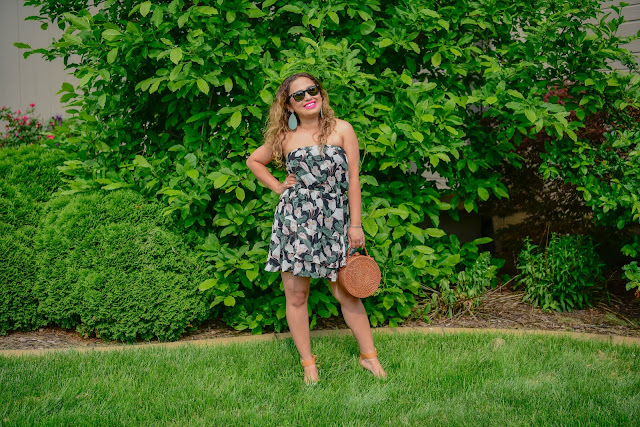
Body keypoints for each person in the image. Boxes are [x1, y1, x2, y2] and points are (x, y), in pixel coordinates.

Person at [246, 73, 387, 384]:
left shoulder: (342, 129)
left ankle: (369, 357)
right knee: (297, 295)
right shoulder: (284, 137)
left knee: (347, 291)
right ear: (288, 105)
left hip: (334, 219)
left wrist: (356, 224)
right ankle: (309, 365)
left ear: (321, 94)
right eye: (299, 95)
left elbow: (353, 180)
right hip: (295, 222)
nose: (308, 97)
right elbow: (254, 161)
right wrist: (279, 186)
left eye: (312, 90)